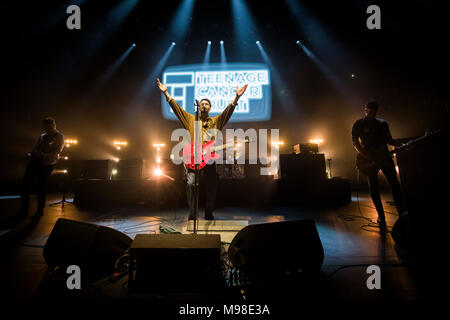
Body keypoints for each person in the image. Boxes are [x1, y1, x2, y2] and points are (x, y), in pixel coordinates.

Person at [157, 78, 247, 220]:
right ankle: (192, 213)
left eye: (206, 104)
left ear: (210, 108)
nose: (204, 105)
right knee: (191, 184)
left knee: (211, 186)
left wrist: (236, 97)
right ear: (199, 107)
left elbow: (227, 113)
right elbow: (177, 109)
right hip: (193, 159)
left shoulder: (216, 121)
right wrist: (166, 94)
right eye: (202, 104)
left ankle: (208, 212)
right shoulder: (191, 119)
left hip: (209, 160)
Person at [352, 101, 406, 232]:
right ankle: (381, 216)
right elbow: (355, 142)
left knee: (395, 185)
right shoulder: (358, 124)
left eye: (375, 111)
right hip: (369, 159)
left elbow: (389, 140)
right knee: (374, 187)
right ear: (365, 110)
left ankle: (402, 215)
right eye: (370, 110)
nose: (372, 113)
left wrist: (402, 145)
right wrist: (366, 156)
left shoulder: (382, 124)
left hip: (385, 157)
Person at [17, 117, 65, 221]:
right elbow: (36, 147)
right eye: (46, 127)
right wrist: (33, 153)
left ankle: (39, 211)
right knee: (25, 185)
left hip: (47, 164)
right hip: (36, 162)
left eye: (49, 127)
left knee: (40, 186)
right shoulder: (42, 136)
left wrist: (40, 155)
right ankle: (24, 210)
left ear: (54, 125)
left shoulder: (59, 136)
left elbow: (55, 153)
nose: (47, 129)